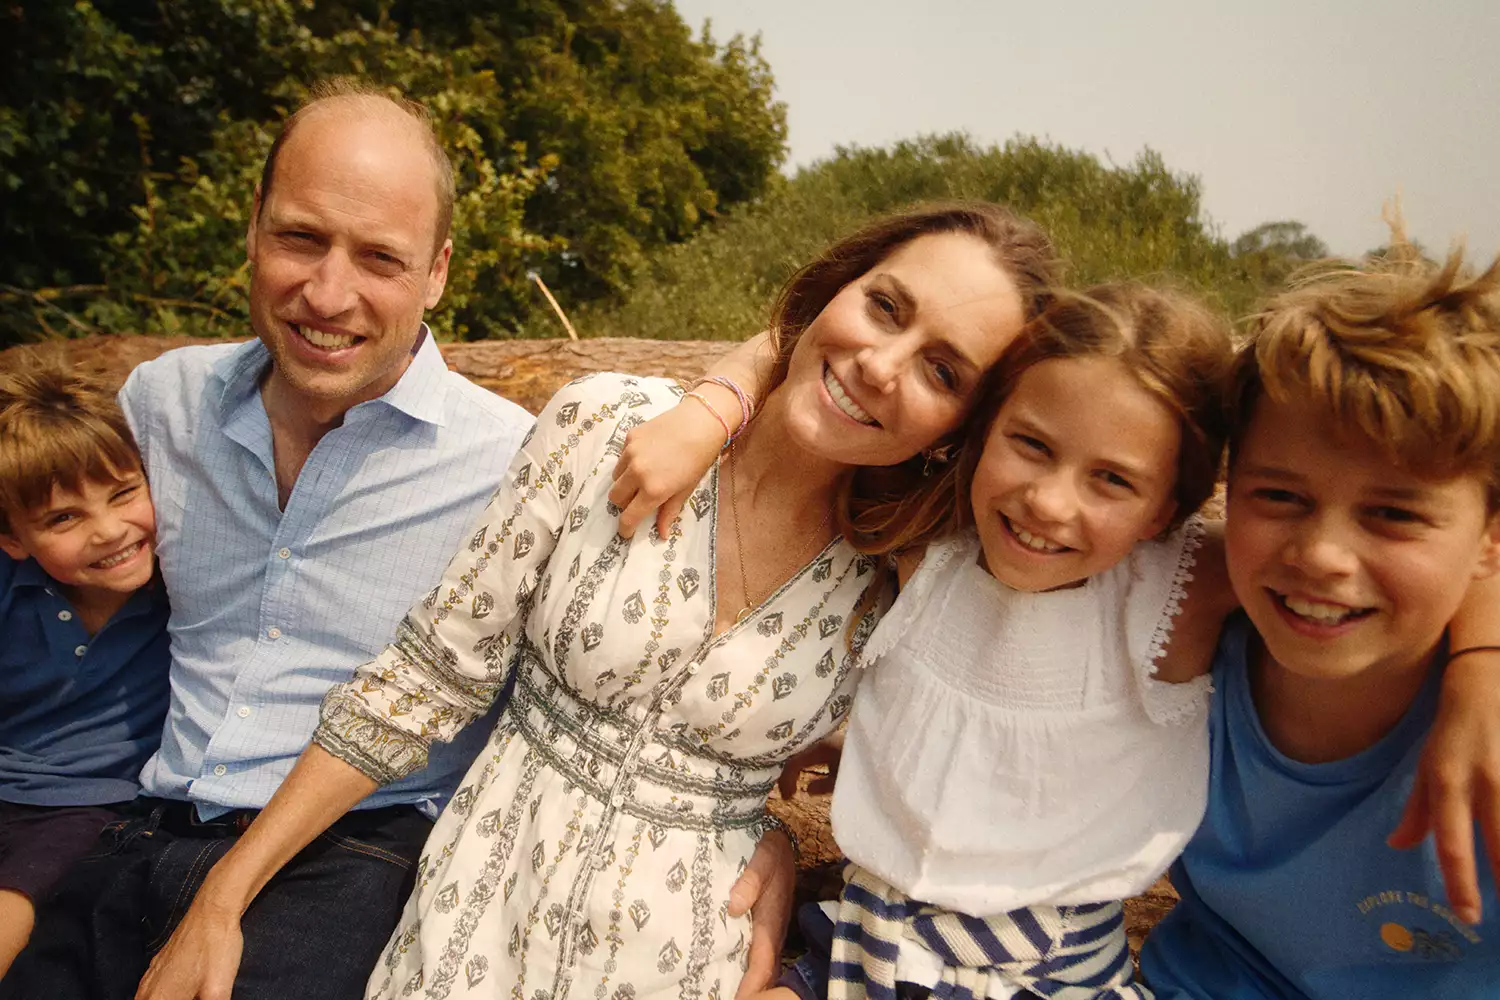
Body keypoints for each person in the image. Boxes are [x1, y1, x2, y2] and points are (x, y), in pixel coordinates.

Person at [134, 202, 1063, 1000]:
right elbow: (424, 680)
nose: (881, 365)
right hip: (473, 926)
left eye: (943, 371)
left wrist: (772, 842)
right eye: (885, 307)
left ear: (960, 430)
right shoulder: (609, 425)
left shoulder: (900, 580)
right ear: (835, 290)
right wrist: (226, 892)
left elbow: (942, 814)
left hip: (692, 958)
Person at [0, 80, 533, 1000]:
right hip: (133, 824)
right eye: (300, 237)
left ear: (438, 271)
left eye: (379, 257)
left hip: (355, 851)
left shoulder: (511, 465)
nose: (329, 293)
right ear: (254, 224)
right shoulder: (160, 407)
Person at [1139, 233, 1500, 997]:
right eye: (1279, 497)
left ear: (1489, 540)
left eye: (1393, 515)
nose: (1323, 554)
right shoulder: (1185, 620)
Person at [0, 350, 171, 977]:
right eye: (63, 518)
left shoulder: (177, 588)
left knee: (15, 901)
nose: (107, 530)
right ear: (14, 539)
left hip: (85, 805)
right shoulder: (12, 586)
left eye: (123, 493)